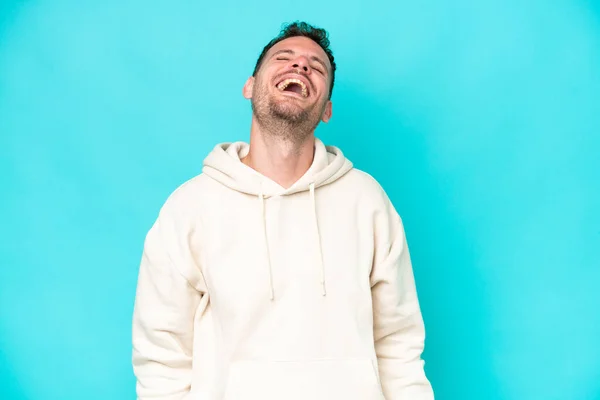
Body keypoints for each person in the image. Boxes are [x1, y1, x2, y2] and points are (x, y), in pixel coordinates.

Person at [132, 21, 434, 400]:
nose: (300, 67)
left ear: (326, 109)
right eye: (284, 58)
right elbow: (161, 356)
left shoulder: (367, 201)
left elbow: (399, 344)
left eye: (316, 66)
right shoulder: (190, 206)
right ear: (249, 86)